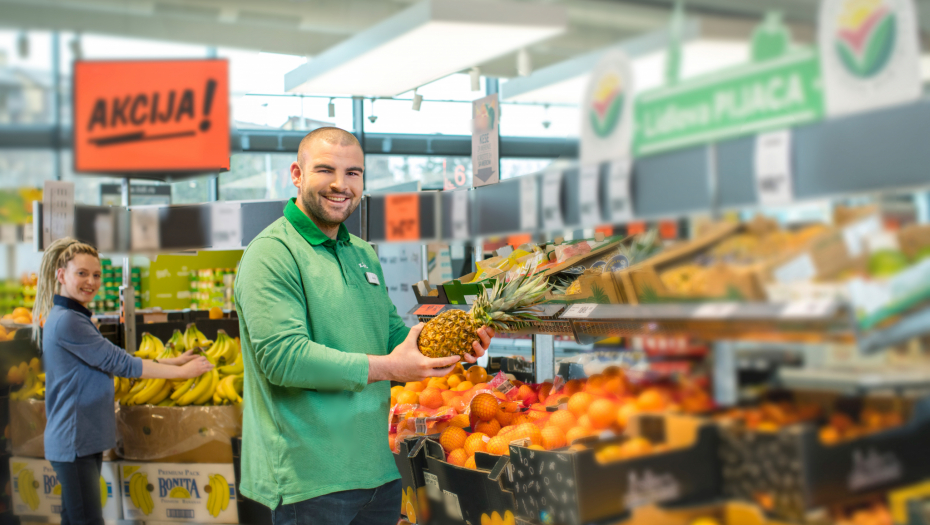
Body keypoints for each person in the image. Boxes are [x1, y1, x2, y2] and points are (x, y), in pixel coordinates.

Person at [235, 127, 495, 525]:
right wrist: (390, 368)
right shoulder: (271, 254)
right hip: (308, 480)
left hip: (378, 473)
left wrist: (453, 343)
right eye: (326, 170)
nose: (341, 185)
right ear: (297, 174)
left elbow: (391, 337)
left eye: (353, 173)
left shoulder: (362, 254)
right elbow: (284, 359)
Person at [33, 238, 214, 525]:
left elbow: (114, 357)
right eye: (82, 273)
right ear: (61, 274)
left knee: (74, 518)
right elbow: (122, 365)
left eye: (96, 275)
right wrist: (181, 374)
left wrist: (174, 361)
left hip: (79, 441)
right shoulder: (69, 321)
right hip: (74, 440)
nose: (91, 282)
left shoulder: (70, 317)